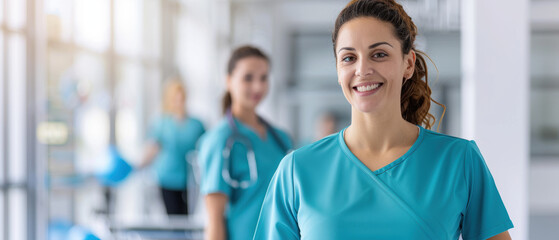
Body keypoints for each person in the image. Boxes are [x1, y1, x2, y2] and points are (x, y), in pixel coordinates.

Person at [253, 0, 513, 239]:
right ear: (337, 70)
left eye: (379, 54)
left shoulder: (458, 162)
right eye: (349, 58)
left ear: (408, 63)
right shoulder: (297, 171)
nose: (362, 70)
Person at [197, 45, 292, 240]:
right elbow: (214, 220)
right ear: (229, 81)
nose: (258, 86)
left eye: (263, 78)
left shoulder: (281, 138)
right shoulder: (220, 140)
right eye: (248, 78)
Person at [141, 78, 205, 215]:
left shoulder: (197, 124)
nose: (178, 100)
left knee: (187, 218)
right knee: (173, 217)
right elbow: (152, 149)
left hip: (190, 181)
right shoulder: (161, 123)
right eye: (175, 97)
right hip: (167, 178)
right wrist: (136, 166)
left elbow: (206, 149)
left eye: (181, 97)